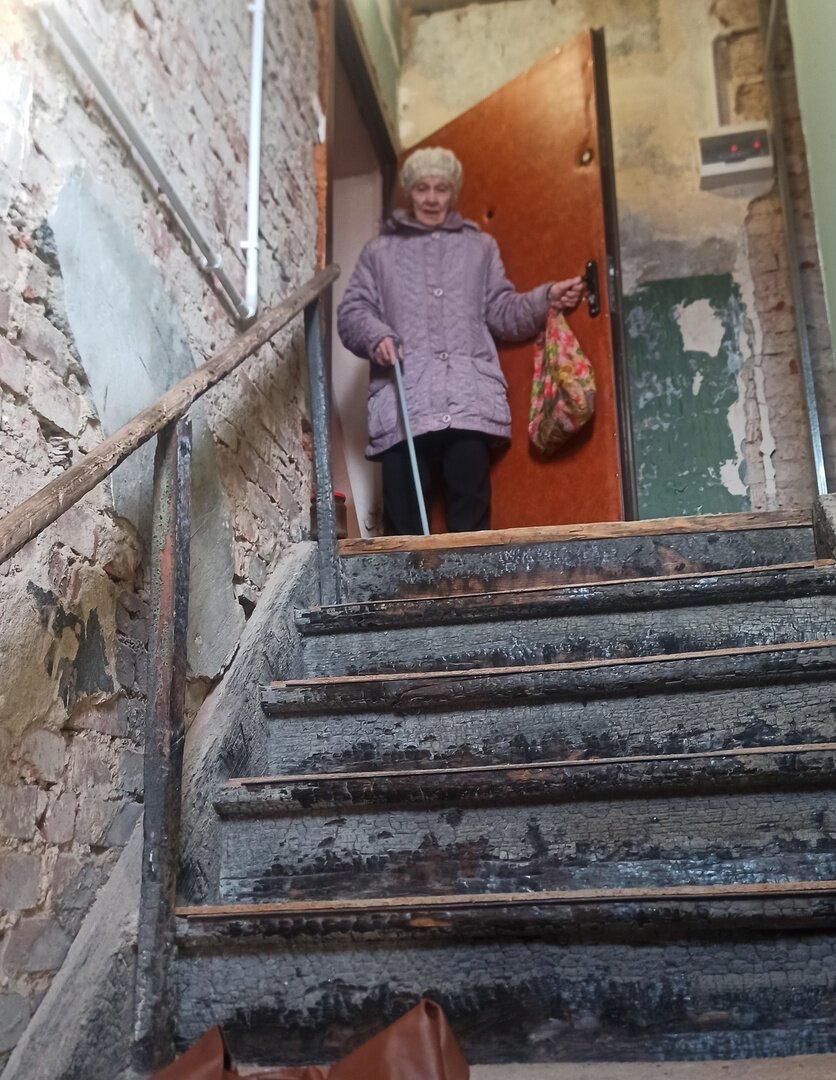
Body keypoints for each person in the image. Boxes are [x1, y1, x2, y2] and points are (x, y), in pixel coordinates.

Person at [336, 146, 586, 535]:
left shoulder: (479, 247)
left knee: (470, 516)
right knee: (404, 522)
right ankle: (406, 580)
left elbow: (501, 311)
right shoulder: (380, 252)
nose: (431, 198)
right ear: (409, 192)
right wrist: (377, 334)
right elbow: (353, 312)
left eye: (441, 188)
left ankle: (469, 580)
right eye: (422, 188)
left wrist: (545, 298)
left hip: (468, 399)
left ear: (453, 193)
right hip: (404, 402)